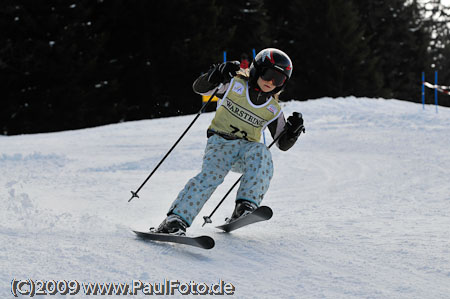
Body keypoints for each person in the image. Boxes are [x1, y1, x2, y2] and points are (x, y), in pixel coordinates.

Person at [153, 48, 305, 235]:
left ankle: (244, 206)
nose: (271, 82)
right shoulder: (234, 85)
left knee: (261, 152)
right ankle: (175, 220)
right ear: (257, 69)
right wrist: (216, 75)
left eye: (279, 80)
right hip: (220, 144)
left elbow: (282, 144)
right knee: (211, 177)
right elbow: (199, 88)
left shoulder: (272, 109)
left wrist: (292, 132)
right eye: (269, 74)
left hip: (245, 151)